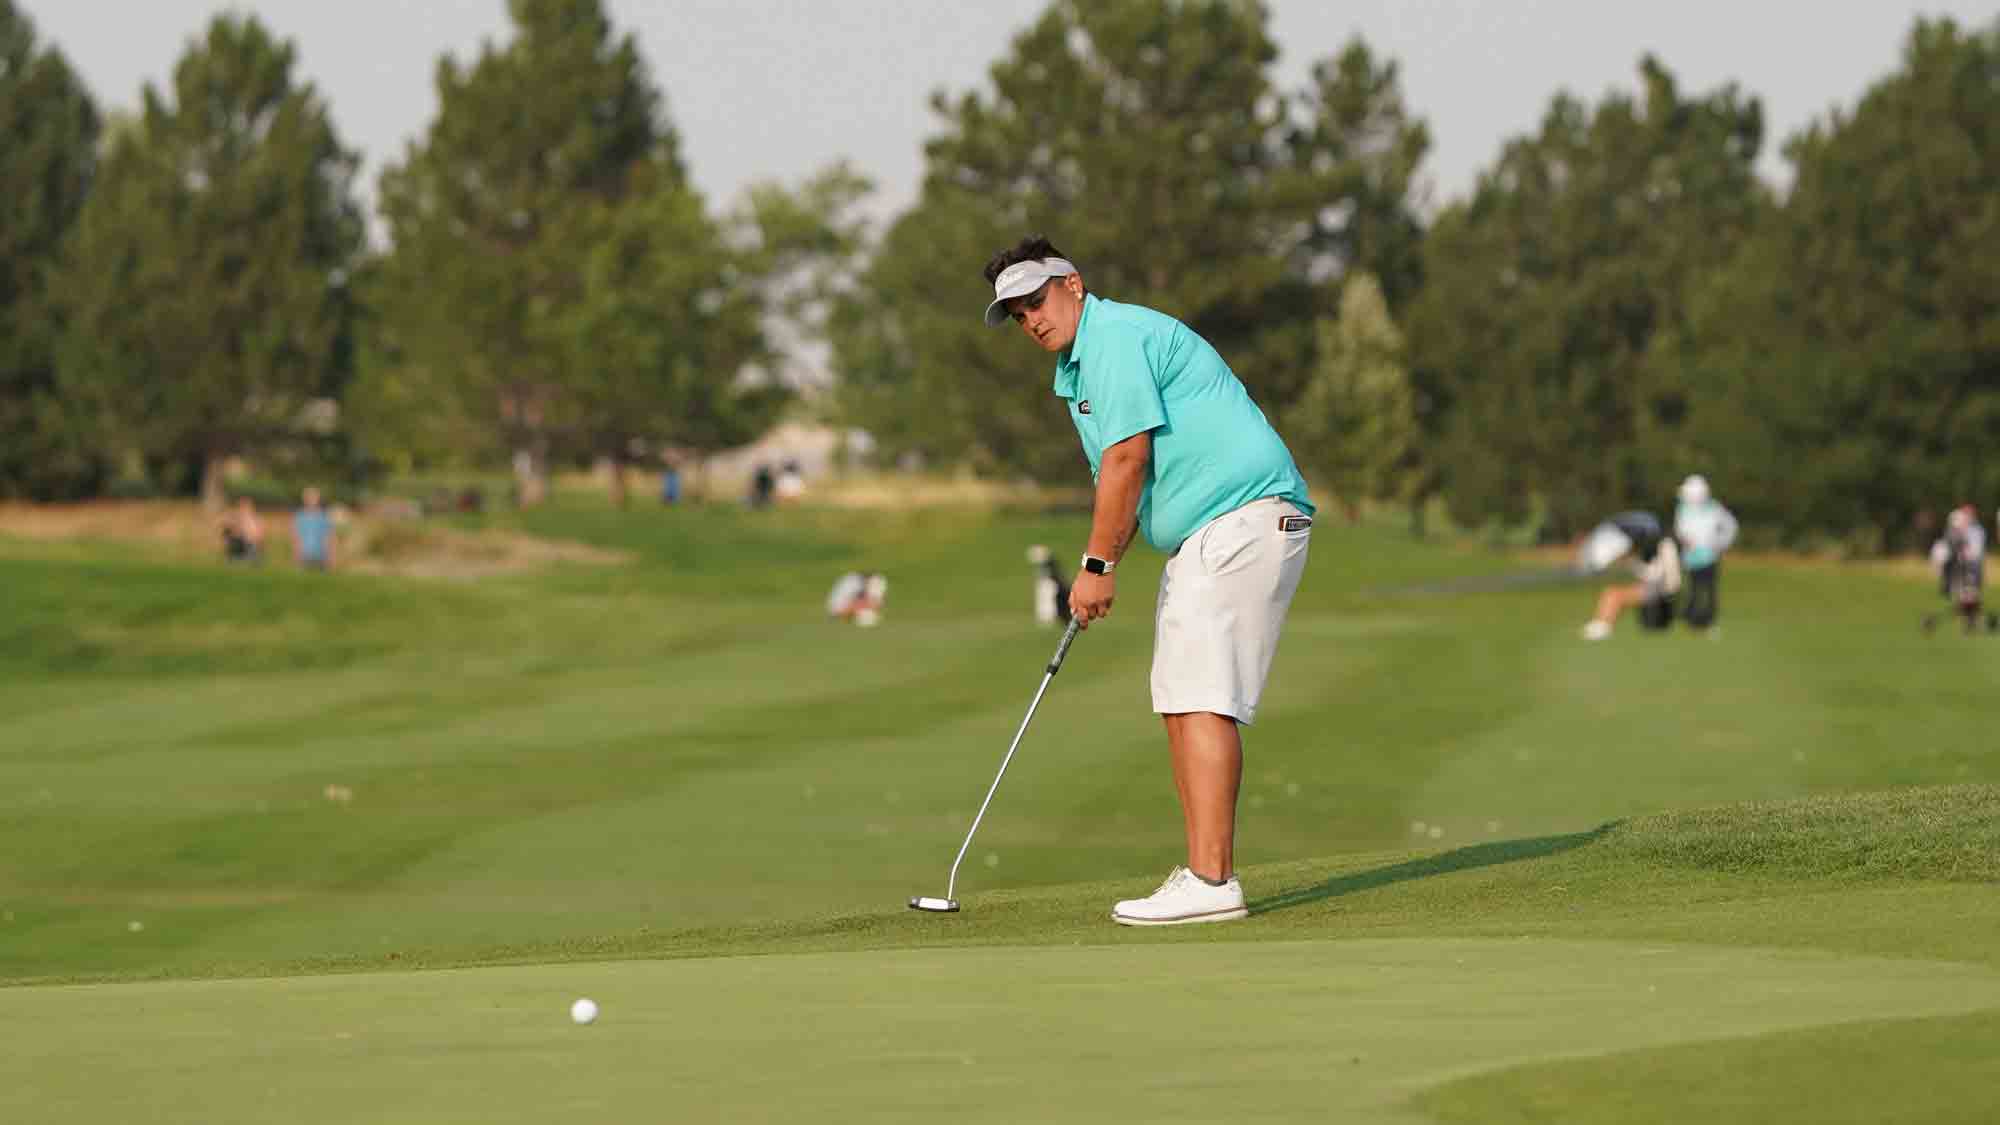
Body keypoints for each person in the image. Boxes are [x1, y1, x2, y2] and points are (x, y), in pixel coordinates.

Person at [981, 236, 1315, 926]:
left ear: (1072, 283)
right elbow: (1121, 482)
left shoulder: (1113, 337)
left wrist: (1098, 568)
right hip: (1217, 530)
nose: (1031, 320)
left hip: (1238, 518)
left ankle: (1213, 879)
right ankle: (1203, 872)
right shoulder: (1082, 367)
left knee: (1200, 694)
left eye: (1036, 301)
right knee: (1180, 695)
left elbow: (1130, 457)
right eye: (1017, 314)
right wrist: (1099, 562)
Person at [1580, 532, 1681, 640]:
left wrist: (1632, 563)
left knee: (1613, 594)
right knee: (1612, 592)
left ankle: (1602, 627)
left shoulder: (1666, 546)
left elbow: (1661, 575)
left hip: (1660, 589)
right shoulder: (1660, 545)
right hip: (1657, 587)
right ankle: (1601, 624)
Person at [1674, 474, 1737, 631]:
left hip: (1710, 556)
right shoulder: (1683, 508)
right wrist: (1684, 539)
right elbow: (1680, 529)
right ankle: (1690, 617)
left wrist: (1721, 544)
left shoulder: (1714, 508)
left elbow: (1730, 526)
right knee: (1693, 587)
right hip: (1691, 556)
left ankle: (1708, 618)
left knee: (1709, 589)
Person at [1925, 505, 1990, 634]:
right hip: (1960, 570)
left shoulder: (1977, 531)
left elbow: (1974, 552)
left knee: (1971, 598)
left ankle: (1971, 623)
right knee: (1965, 598)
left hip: (1972, 568)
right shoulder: (1954, 535)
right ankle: (1969, 623)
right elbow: (1946, 553)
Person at [293, 486, 336, 571]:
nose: (311, 500)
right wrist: (296, 554)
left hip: (321, 555)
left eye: (313, 497)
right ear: (304, 499)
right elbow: (296, 537)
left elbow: (330, 537)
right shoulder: (299, 517)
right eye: (309, 497)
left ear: (318, 499)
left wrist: (331, 556)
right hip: (304, 555)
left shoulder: (324, 517)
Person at [220, 496, 264, 564]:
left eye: (245, 505)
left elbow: (259, 535)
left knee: (250, 545)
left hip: (250, 544)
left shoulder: (256, 519)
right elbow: (225, 527)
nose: (243, 508)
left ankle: (247, 558)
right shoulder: (234, 517)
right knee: (230, 533)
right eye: (241, 506)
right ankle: (240, 557)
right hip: (239, 543)